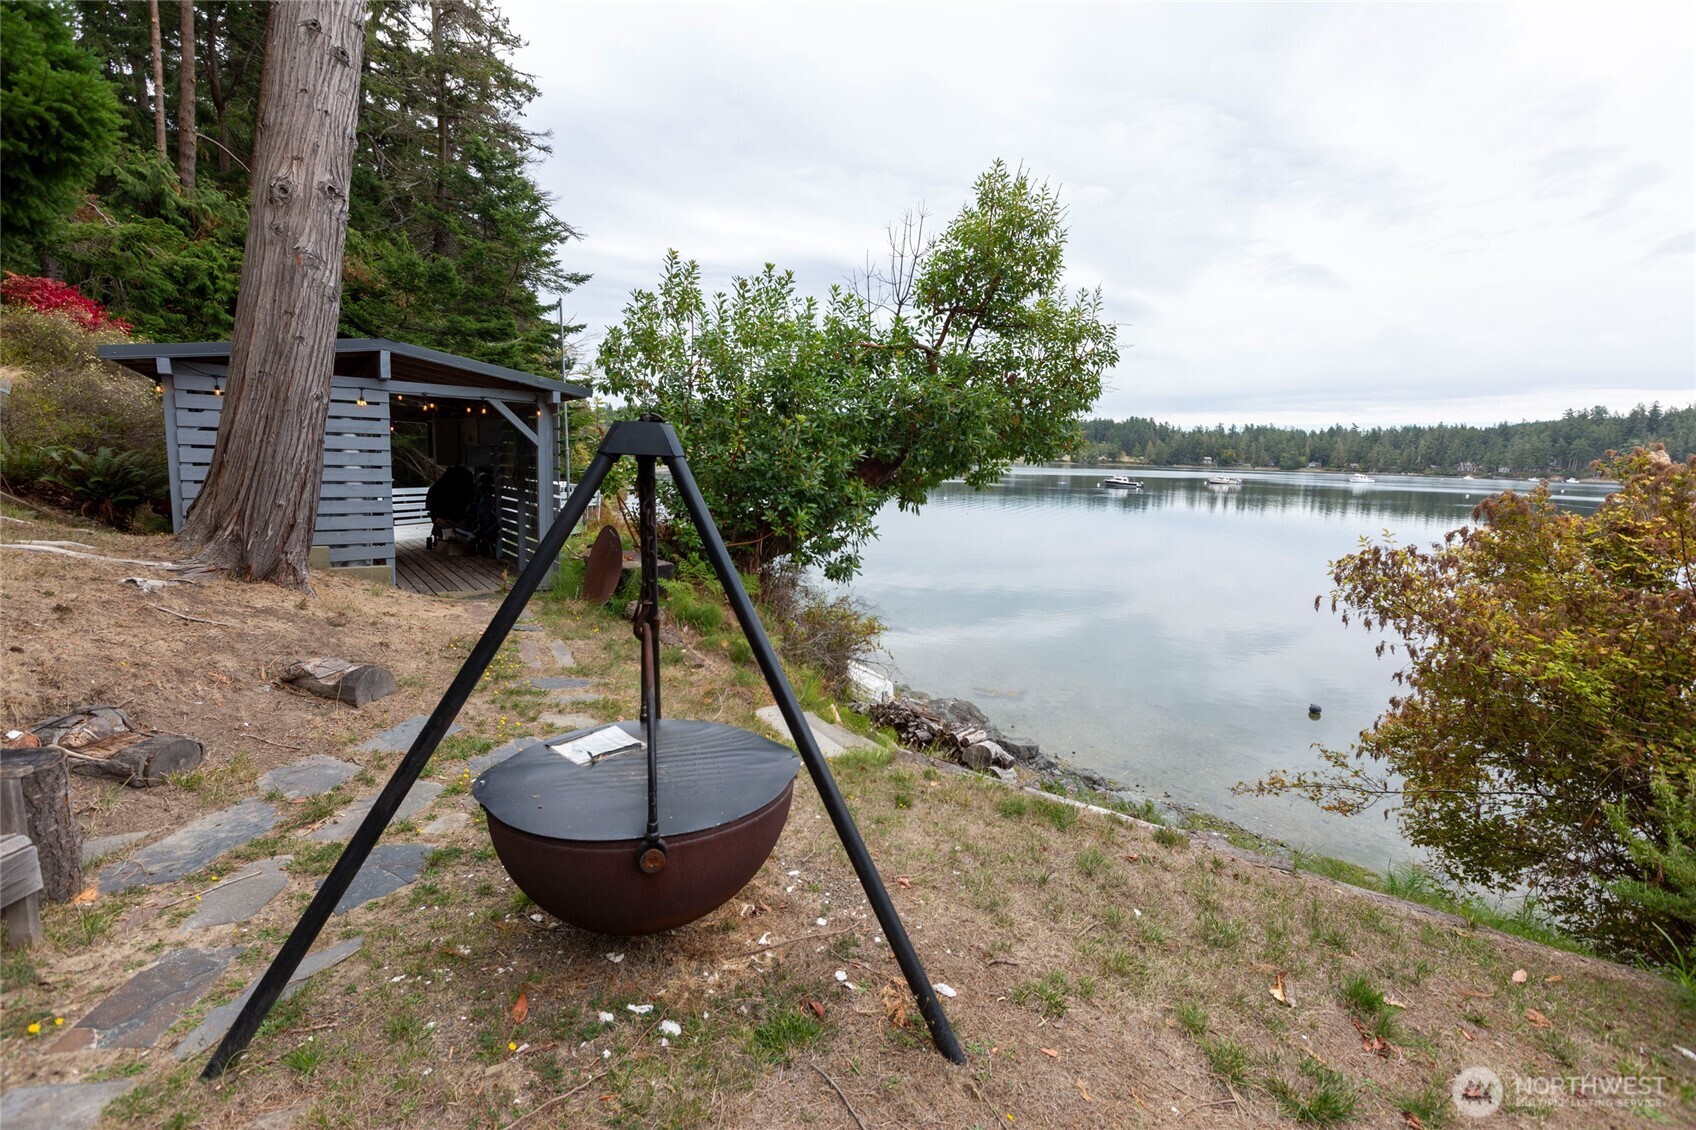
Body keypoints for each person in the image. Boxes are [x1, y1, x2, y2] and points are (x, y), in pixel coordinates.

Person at [424, 465, 474, 548]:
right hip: (455, 516)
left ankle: (441, 538)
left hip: (438, 515)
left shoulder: (438, 485)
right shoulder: (463, 483)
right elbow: (469, 498)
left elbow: (429, 504)